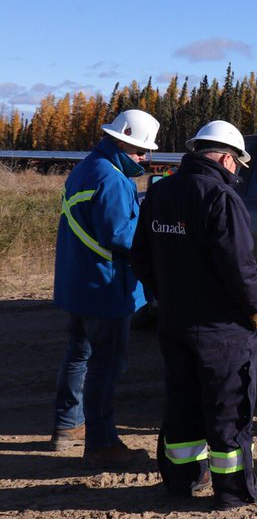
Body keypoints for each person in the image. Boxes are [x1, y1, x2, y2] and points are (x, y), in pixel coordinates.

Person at [130, 120, 257, 510]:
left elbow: (140, 257)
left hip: (174, 321)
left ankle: (184, 478)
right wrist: (255, 308)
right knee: (229, 405)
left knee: (182, 401)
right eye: (237, 165)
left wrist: (165, 295)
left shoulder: (160, 192)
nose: (236, 172)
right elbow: (239, 266)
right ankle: (234, 489)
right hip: (221, 328)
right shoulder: (221, 197)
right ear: (227, 158)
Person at [51, 109, 160, 467]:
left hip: (78, 283)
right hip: (106, 287)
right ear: (122, 142)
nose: (144, 157)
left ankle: (68, 425)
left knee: (79, 355)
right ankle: (101, 444)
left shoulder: (86, 168)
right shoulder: (112, 179)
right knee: (106, 365)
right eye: (141, 150)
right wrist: (152, 229)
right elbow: (120, 235)